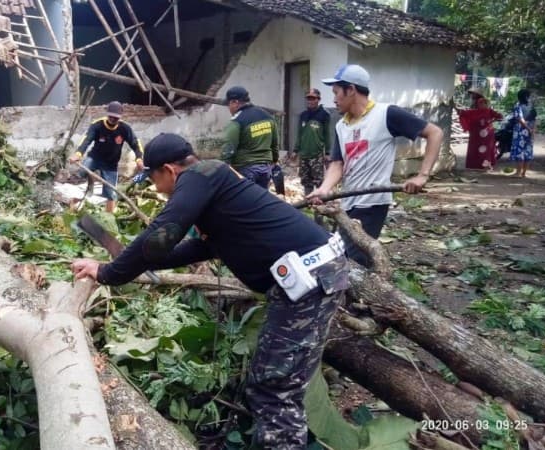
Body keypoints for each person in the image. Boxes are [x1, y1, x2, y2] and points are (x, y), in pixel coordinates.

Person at [71, 133, 349, 449]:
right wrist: (126, 263)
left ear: (168, 170)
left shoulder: (199, 175)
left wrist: (109, 273)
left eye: (153, 178)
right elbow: (197, 248)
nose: (155, 188)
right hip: (314, 274)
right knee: (276, 382)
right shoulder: (214, 181)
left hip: (310, 277)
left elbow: (162, 235)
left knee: (273, 386)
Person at [307, 64, 443, 268]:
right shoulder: (341, 125)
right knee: (341, 255)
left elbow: (435, 133)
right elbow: (337, 163)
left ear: (351, 90)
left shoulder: (386, 114)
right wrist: (324, 189)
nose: (333, 99)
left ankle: (366, 293)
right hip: (347, 202)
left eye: (336, 92)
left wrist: (422, 175)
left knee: (350, 261)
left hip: (372, 203)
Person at [69, 101, 143, 213]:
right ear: (107, 114)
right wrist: (78, 154)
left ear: (120, 117)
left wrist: (139, 159)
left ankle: (109, 218)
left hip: (111, 164)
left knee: (111, 194)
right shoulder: (97, 125)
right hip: (94, 159)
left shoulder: (125, 129)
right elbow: (86, 140)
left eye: (116, 117)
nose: (113, 119)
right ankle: (73, 209)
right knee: (79, 176)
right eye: (111, 116)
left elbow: (135, 143)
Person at [222, 86, 280, 189]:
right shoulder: (268, 116)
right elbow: (275, 145)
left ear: (235, 102)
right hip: (265, 169)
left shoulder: (237, 121)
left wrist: (223, 167)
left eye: (229, 104)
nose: (229, 108)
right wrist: (273, 162)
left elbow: (228, 149)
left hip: (245, 169)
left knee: (245, 202)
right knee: (260, 201)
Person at [291, 88, 331, 195]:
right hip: (304, 155)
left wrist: (327, 152)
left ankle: (320, 205)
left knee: (318, 181)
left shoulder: (324, 115)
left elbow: (327, 135)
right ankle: (308, 204)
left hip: (316, 155)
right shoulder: (303, 115)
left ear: (318, 99)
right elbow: (299, 134)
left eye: (313, 98)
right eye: (308, 98)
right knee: (306, 181)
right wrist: (295, 150)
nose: (310, 101)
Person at [454, 87, 502, 170]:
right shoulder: (477, 107)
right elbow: (465, 113)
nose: (471, 95)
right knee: (479, 148)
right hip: (478, 132)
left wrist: (491, 120)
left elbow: (499, 116)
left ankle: (484, 165)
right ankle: (480, 165)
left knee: (483, 149)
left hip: (484, 133)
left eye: (473, 94)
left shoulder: (483, 106)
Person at [510, 89, 537, 178]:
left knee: (519, 151)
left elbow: (520, 119)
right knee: (527, 152)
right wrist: (533, 130)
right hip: (530, 131)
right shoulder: (531, 106)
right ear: (526, 96)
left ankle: (518, 172)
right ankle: (523, 173)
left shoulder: (517, 106)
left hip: (520, 131)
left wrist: (529, 129)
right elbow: (534, 119)